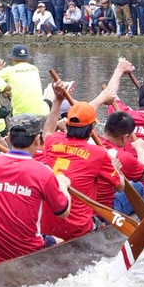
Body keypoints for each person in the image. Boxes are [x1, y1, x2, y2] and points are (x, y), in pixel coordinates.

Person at [0, 122, 71, 264]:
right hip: (28, 252)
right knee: (61, 242)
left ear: (9, 139)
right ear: (38, 140)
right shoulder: (43, 172)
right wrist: (63, 186)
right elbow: (63, 212)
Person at [39, 99, 120, 240]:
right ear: (91, 128)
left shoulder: (53, 141)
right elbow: (120, 186)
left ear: (67, 124)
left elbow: (47, 132)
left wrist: (57, 101)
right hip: (78, 229)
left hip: (47, 227)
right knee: (134, 190)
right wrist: (116, 168)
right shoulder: (99, 153)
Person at [0, 44, 48, 116]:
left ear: (13, 59)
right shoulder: (35, 68)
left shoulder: (9, 70)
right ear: (27, 59)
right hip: (41, 113)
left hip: (20, 115)